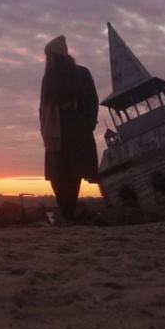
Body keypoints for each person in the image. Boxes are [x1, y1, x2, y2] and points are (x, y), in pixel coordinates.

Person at [40, 35, 99, 224]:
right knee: (55, 175)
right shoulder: (48, 79)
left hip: (77, 132)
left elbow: (92, 100)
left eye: (50, 56)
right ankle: (65, 211)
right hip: (55, 133)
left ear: (58, 57)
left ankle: (67, 213)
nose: (47, 60)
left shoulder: (82, 73)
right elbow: (43, 104)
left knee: (74, 173)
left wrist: (89, 124)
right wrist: (44, 126)